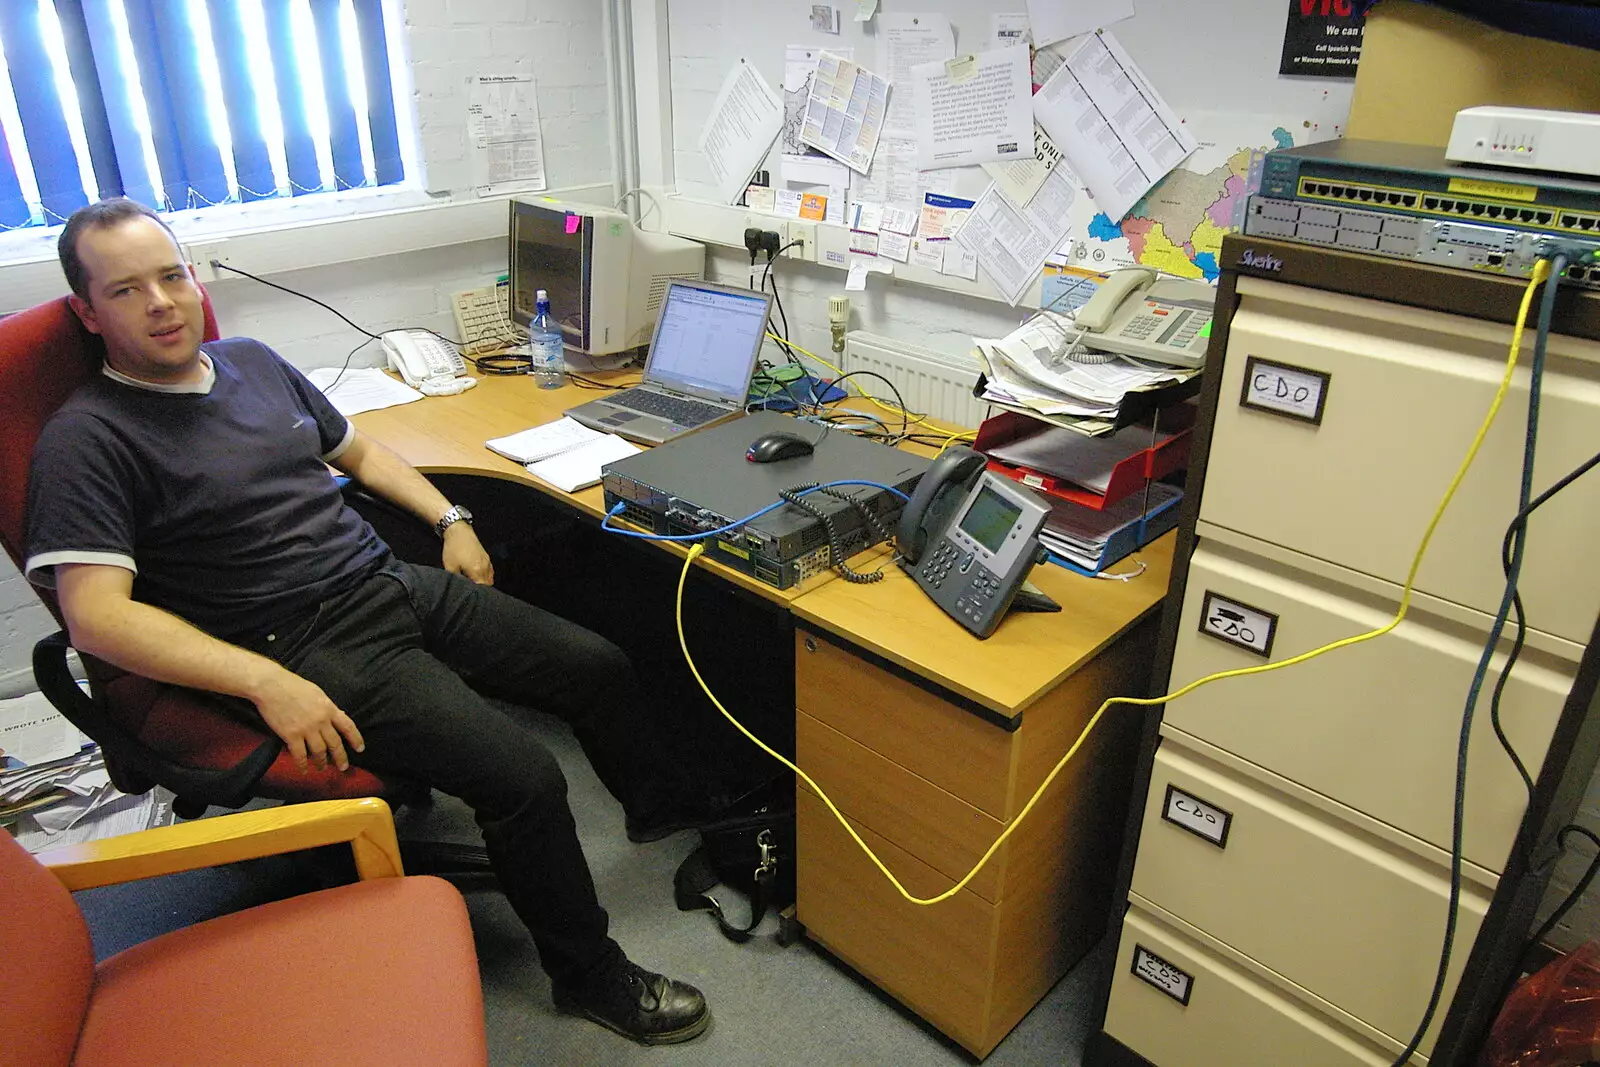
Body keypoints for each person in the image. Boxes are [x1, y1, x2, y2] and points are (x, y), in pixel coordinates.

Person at [23, 198, 710, 1047]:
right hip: (294, 643)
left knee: (595, 664)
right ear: (88, 313)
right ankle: (588, 974)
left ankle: (663, 807)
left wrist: (452, 518)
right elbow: (94, 619)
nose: (162, 302)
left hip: (384, 581)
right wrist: (268, 682)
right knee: (523, 777)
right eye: (127, 290)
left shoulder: (250, 361)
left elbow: (360, 454)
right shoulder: (87, 438)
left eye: (172, 275)